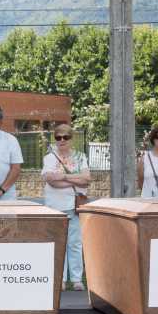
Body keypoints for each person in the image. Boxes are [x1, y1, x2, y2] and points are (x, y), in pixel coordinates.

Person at [41, 123, 91, 291]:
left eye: (65, 137)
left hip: (74, 204)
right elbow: (50, 180)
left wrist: (62, 176)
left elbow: (87, 179)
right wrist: (72, 178)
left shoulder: (80, 156)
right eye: (58, 137)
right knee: (59, 243)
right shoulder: (49, 157)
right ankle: (60, 279)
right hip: (54, 206)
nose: (62, 140)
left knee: (75, 243)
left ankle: (77, 279)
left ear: (71, 138)